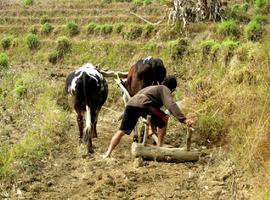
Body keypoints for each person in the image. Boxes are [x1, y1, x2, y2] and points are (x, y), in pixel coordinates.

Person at [103, 76, 194, 158]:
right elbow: (171, 105)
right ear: (173, 89)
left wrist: (152, 127)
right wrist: (184, 120)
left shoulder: (152, 88)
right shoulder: (164, 89)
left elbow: (150, 112)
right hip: (143, 104)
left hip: (131, 104)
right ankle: (160, 148)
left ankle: (108, 152)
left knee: (121, 131)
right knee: (164, 118)